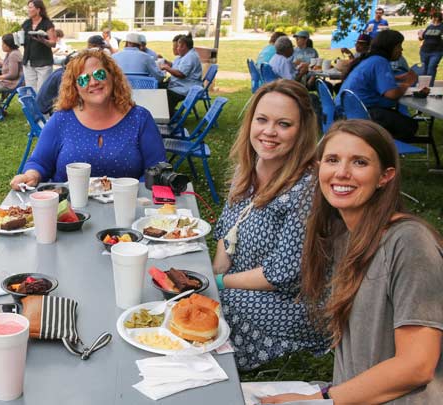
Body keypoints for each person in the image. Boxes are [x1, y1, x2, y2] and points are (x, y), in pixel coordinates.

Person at [261, 120, 442, 404]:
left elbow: (417, 366)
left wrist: (322, 401)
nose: (342, 173)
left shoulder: (409, 243)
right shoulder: (343, 235)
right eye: (332, 160)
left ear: (385, 176)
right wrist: (323, 395)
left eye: (359, 162)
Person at [212, 79, 328, 371]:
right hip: (240, 285)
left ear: (302, 131)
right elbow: (226, 232)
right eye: (262, 120)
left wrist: (218, 284)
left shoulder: (308, 188)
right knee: (192, 299)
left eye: (284, 124)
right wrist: (212, 274)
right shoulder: (248, 167)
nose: (269, 132)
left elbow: (283, 274)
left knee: (208, 309)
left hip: (291, 302)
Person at [9, 49, 166, 187]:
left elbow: (157, 168)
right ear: (75, 87)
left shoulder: (139, 118)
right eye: (83, 79)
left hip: (126, 208)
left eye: (99, 74)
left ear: (113, 77)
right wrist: (31, 175)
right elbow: (39, 162)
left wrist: (131, 193)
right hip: (69, 210)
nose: (93, 82)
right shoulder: (61, 120)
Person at [336, 30, 418, 141]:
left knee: (397, 118)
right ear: (389, 47)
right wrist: (407, 84)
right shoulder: (380, 61)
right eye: (399, 46)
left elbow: (372, 79)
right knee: (409, 126)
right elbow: (392, 94)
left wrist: (397, 78)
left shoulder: (371, 59)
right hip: (362, 114)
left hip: (348, 112)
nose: (401, 50)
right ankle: (380, 149)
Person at [161, 33, 203, 116]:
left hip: (186, 88)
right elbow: (176, 66)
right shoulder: (187, 55)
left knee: (165, 94)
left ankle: (168, 115)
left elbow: (181, 74)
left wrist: (166, 68)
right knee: (160, 87)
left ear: (183, 46)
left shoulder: (190, 57)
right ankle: (167, 113)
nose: (177, 49)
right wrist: (166, 63)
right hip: (182, 85)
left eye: (178, 46)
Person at [21, 0, 56, 92]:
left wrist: (43, 41)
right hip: (28, 62)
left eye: (30, 7)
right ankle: (32, 106)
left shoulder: (47, 23)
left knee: (42, 90)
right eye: (28, 7)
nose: (28, 10)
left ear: (38, 9)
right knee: (31, 90)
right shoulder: (26, 23)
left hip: (43, 62)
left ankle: (42, 106)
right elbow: (22, 39)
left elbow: (53, 43)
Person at [418, 11, 443, 83]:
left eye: (434, 17)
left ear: (438, 18)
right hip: (424, 51)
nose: (433, 18)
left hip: (436, 52)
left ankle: (430, 87)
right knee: (423, 70)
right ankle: (423, 88)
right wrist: (420, 34)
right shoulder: (429, 26)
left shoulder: (442, 27)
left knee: (431, 68)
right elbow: (421, 38)